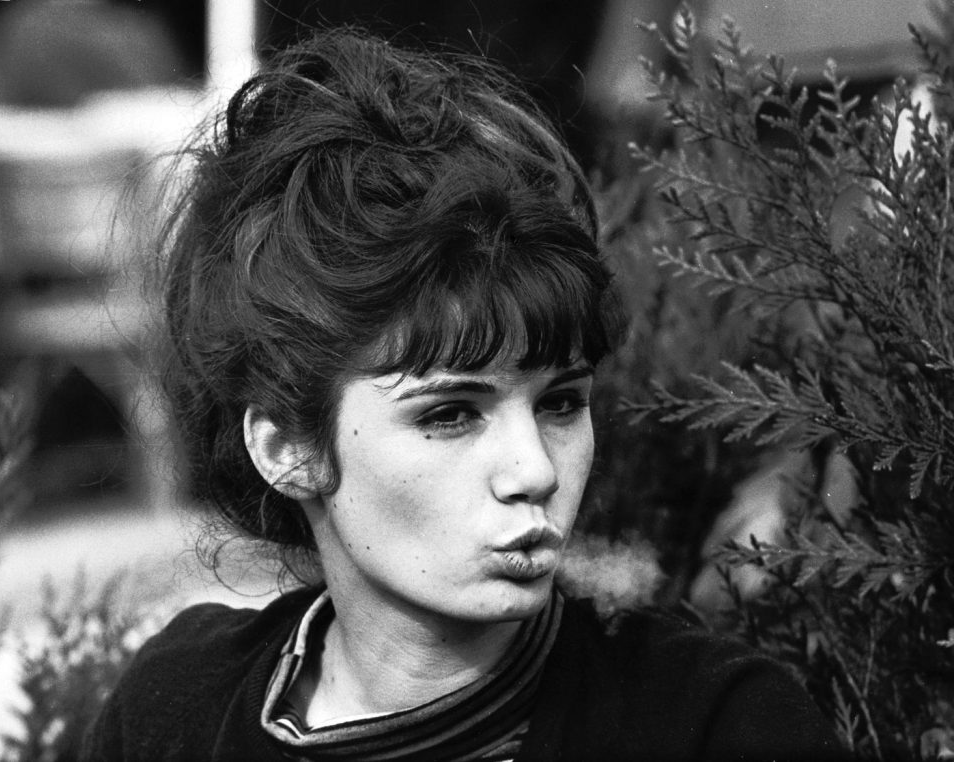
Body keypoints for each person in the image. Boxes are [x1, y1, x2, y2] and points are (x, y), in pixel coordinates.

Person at [82, 28, 846, 762]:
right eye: (449, 414)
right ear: (288, 449)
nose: (534, 471)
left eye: (560, 403)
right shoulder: (177, 715)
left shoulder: (714, 726)